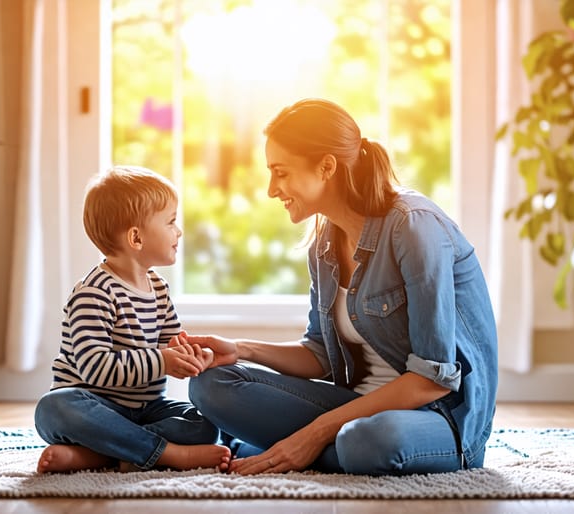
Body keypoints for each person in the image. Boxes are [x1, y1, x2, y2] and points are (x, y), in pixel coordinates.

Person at [182, 98, 498, 476]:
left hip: (435, 419)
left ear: (326, 166)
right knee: (210, 385)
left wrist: (315, 433)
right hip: (351, 407)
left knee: (362, 442)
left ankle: (280, 447)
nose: (271, 189)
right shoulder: (324, 245)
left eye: (280, 172)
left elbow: (432, 381)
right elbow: (320, 354)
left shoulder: (413, 227)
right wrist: (239, 349)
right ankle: (298, 448)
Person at [34, 165, 231, 474]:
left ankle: (100, 455)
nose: (178, 231)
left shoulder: (158, 288)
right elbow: (95, 369)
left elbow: (172, 342)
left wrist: (193, 355)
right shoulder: (93, 294)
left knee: (205, 425)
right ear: (136, 237)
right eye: (170, 222)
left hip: (145, 410)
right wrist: (163, 361)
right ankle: (169, 454)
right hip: (94, 406)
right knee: (53, 408)